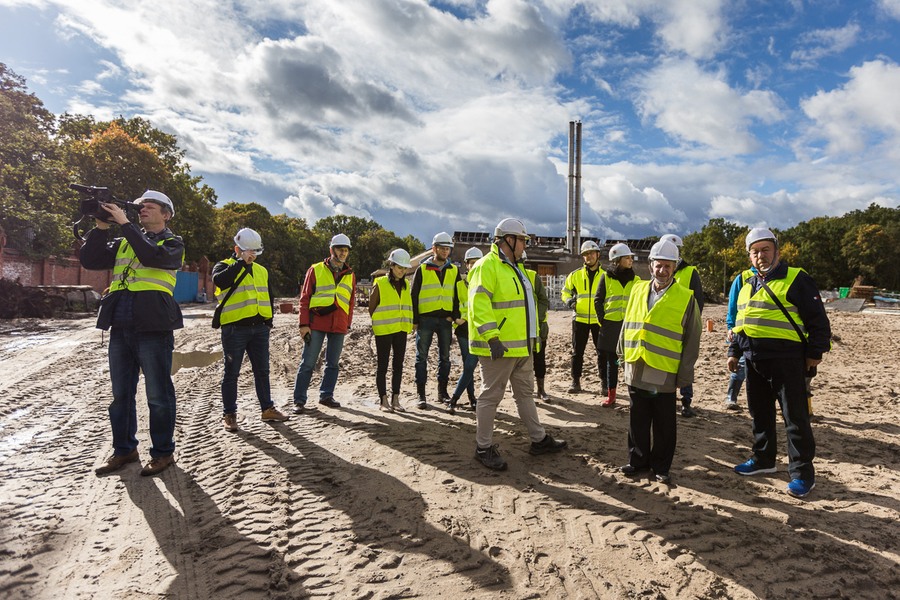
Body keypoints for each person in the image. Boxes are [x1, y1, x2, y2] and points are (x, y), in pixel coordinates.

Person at [81, 190, 184, 477]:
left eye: (150, 207)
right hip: (121, 327)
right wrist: (101, 226)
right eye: (140, 207)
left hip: (154, 329)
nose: (142, 210)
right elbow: (90, 260)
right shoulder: (125, 240)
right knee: (120, 395)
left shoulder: (173, 243)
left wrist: (125, 223)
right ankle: (124, 449)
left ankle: (163, 453)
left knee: (158, 395)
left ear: (167, 214)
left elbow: (152, 256)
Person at [728, 228, 831, 498]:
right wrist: (734, 352)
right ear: (749, 255)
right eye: (755, 251)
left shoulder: (797, 278)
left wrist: (814, 354)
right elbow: (741, 322)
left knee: (795, 418)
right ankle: (764, 461)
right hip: (753, 359)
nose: (760, 256)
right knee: (759, 414)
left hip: (788, 361)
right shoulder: (745, 281)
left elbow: (818, 321)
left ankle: (802, 473)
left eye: (765, 250)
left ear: (777, 251)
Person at [469, 218, 567, 471]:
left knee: (525, 394)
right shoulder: (486, 266)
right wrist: (492, 337)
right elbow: (478, 305)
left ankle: (538, 440)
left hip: (522, 347)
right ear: (508, 240)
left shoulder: (517, 269)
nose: (525, 245)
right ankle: (483, 447)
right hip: (498, 347)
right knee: (491, 396)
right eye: (522, 240)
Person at [617, 239, 701, 484]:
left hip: (662, 368)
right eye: (658, 265)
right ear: (650, 265)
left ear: (674, 268)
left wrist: (684, 375)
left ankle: (661, 466)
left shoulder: (686, 298)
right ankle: (638, 461)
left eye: (667, 266)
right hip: (636, 363)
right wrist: (621, 352)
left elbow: (692, 340)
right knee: (637, 417)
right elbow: (627, 323)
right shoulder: (637, 289)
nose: (662, 270)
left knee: (664, 421)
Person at [212, 228, 289, 432]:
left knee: (262, 371)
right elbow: (219, 282)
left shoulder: (261, 270)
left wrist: (269, 321)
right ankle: (229, 414)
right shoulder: (224, 266)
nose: (252, 256)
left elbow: (268, 296)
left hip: (259, 329)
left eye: (255, 252)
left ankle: (267, 409)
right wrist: (240, 263)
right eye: (248, 252)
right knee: (231, 373)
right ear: (237, 249)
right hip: (234, 329)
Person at [292, 233, 356, 413]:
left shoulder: (350, 274)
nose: (343, 253)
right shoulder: (315, 269)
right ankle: (299, 400)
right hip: (316, 323)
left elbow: (351, 302)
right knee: (308, 363)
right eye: (340, 250)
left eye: (345, 250)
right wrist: (303, 324)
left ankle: (326, 395)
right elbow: (304, 299)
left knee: (333, 363)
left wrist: (347, 324)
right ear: (331, 250)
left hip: (339, 324)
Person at [411, 231, 461, 409]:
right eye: (442, 248)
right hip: (425, 320)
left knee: (445, 358)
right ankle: (421, 395)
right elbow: (413, 296)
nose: (445, 251)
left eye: (447, 248)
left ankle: (442, 393)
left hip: (445, 320)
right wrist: (415, 320)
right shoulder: (422, 269)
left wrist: (454, 316)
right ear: (434, 249)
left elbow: (457, 296)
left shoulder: (454, 270)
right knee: (421, 357)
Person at [660, 234, 704, 417]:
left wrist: (692, 325)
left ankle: (686, 402)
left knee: (685, 364)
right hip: (664, 326)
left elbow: (698, 300)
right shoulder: (660, 269)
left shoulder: (690, 272)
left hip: (683, 326)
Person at [593, 243, 640, 407]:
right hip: (610, 327)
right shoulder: (606, 277)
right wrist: (603, 321)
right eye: (627, 257)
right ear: (618, 260)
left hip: (629, 327)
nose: (631, 260)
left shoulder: (637, 280)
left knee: (630, 363)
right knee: (612, 363)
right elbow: (598, 301)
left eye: (631, 257)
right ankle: (611, 396)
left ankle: (634, 396)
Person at [369, 248, 413, 413]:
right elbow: (372, 308)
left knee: (398, 365)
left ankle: (395, 399)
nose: (402, 271)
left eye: (404, 268)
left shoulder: (406, 285)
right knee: (383, 365)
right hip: (384, 329)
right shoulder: (380, 283)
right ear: (392, 265)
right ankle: (383, 400)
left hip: (400, 329)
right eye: (399, 267)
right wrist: (381, 320)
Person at [561, 240, 604, 394]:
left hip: (599, 321)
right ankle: (575, 381)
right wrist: (569, 301)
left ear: (598, 255)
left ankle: (604, 384)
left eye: (591, 253)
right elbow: (565, 291)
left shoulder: (606, 276)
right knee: (577, 352)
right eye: (585, 254)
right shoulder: (575, 275)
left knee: (602, 353)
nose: (589, 256)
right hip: (579, 319)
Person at [448, 247, 483, 414]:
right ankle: (472, 399)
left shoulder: (486, 284)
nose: (474, 266)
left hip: (479, 330)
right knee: (468, 366)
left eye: (477, 263)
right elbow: (452, 304)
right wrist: (456, 319)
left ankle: (455, 399)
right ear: (466, 265)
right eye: (471, 263)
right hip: (463, 329)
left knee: (470, 365)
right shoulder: (459, 285)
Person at [724, 266, 756, 410]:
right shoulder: (743, 278)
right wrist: (731, 327)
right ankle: (731, 397)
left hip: (767, 334)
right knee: (740, 366)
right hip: (743, 332)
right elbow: (733, 304)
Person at [521, 251, 551, 401]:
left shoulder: (532, 276)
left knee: (539, 359)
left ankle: (541, 390)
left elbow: (543, 300)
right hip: (517, 328)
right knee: (518, 362)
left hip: (538, 328)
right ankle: (522, 392)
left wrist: (536, 319)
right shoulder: (504, 277)